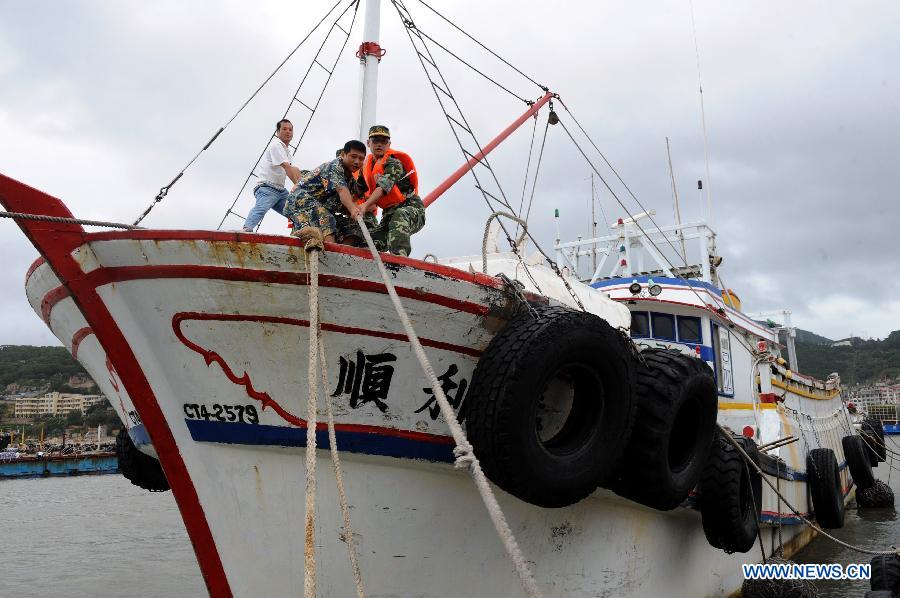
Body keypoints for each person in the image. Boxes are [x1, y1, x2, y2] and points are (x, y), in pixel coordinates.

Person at [356, 125, 424, 257]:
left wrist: (364, 205)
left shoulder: (394, 163)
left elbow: (383, 188)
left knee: (399, 218)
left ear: (389, 144)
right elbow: (357, 191)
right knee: (370, 244)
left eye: (384, 141)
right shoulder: (365, 167)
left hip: (410, 208)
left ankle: (400, 263)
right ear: (368, 143)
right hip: (389, 213)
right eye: (376, 140)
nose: (380, 144)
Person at [283, 140, 368, 245]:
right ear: (343, 155)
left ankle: (340, 257)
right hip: (301, 202)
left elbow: (349, 201)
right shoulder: (335, 166)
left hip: (321, 208)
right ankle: (328, 255)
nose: (357, 161)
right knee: (327, 219)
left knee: (353, 227)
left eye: (361, 159)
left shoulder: (350, 180)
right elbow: (341, 189)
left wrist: (356, 211)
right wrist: (352, 209)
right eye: (353, 156)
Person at [243, 119, 302, 232]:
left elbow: (295, 169)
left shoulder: (288, 152)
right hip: (267, 187)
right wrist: (297, 185)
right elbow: (287, 167)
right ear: (277, 132)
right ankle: (247, 229)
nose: (288, 132)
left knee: (295, 212)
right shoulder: (276, 145)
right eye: (284, 129)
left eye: (290, 129)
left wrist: (301, 185)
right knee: (261, 208)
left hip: (280, 190)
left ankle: (297, 234)